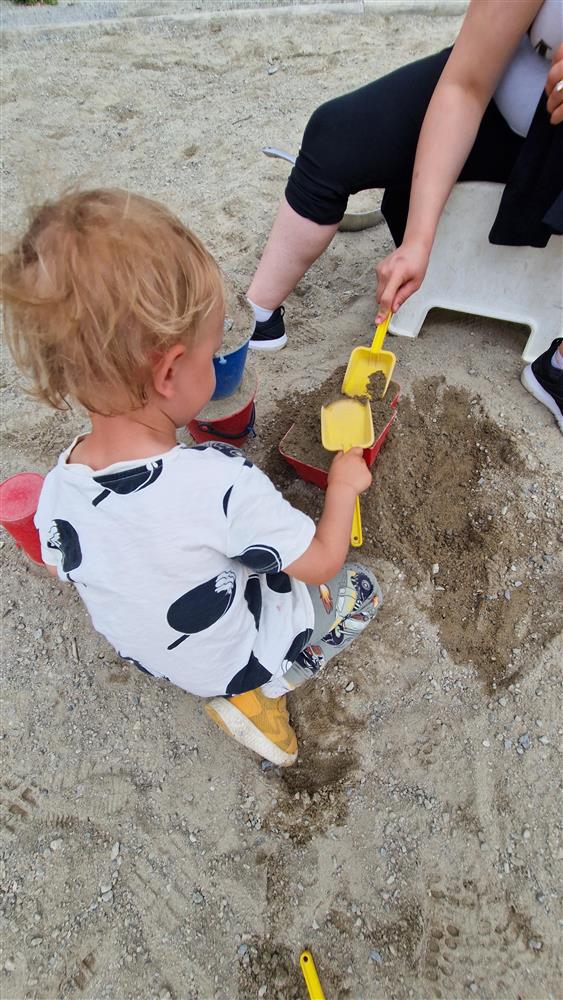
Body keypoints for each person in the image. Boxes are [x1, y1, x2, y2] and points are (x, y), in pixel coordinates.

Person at [0, 188, 383, 768]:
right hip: (231, 658)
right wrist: (343, 487)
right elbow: (324, 560)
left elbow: (61, 564)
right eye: (211, 352)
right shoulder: (220, 484)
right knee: (358, 591)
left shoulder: (59, 485)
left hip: (156, 656)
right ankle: (264, 694)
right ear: (172, 371)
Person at [246, 0, 563, 432]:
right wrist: (418, 241)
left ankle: (558, 369)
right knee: (333, 133)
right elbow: (464, 84)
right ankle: (256, 319)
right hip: (498, 108)